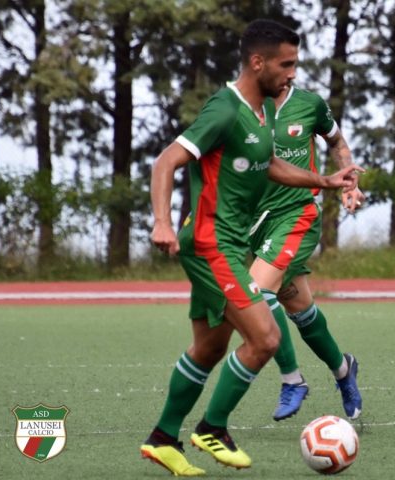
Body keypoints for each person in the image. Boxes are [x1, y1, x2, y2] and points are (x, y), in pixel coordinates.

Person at [140, 19, 362, 477]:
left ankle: (163, 439)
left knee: (208, 348)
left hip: (227, 243)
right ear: (257, 62)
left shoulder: (260, 111)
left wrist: (325, 180)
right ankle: (212, 429)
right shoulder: (225, 109)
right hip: (209, 243)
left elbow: (270, 164)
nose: (293, 73)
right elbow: (166, 161)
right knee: (264, 338)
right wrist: (160, 221)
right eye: (287, 64)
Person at [247, 85, 365, 422]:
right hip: (258, 223)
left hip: (298, 214)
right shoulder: (244, 106)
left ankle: (292, 380)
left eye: (292, 64)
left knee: (259, 292)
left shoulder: (309, 104)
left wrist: (351, 184)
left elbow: (338, 144)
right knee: (300, 310)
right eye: (282, 63)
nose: (288, 72)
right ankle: (344, 371)